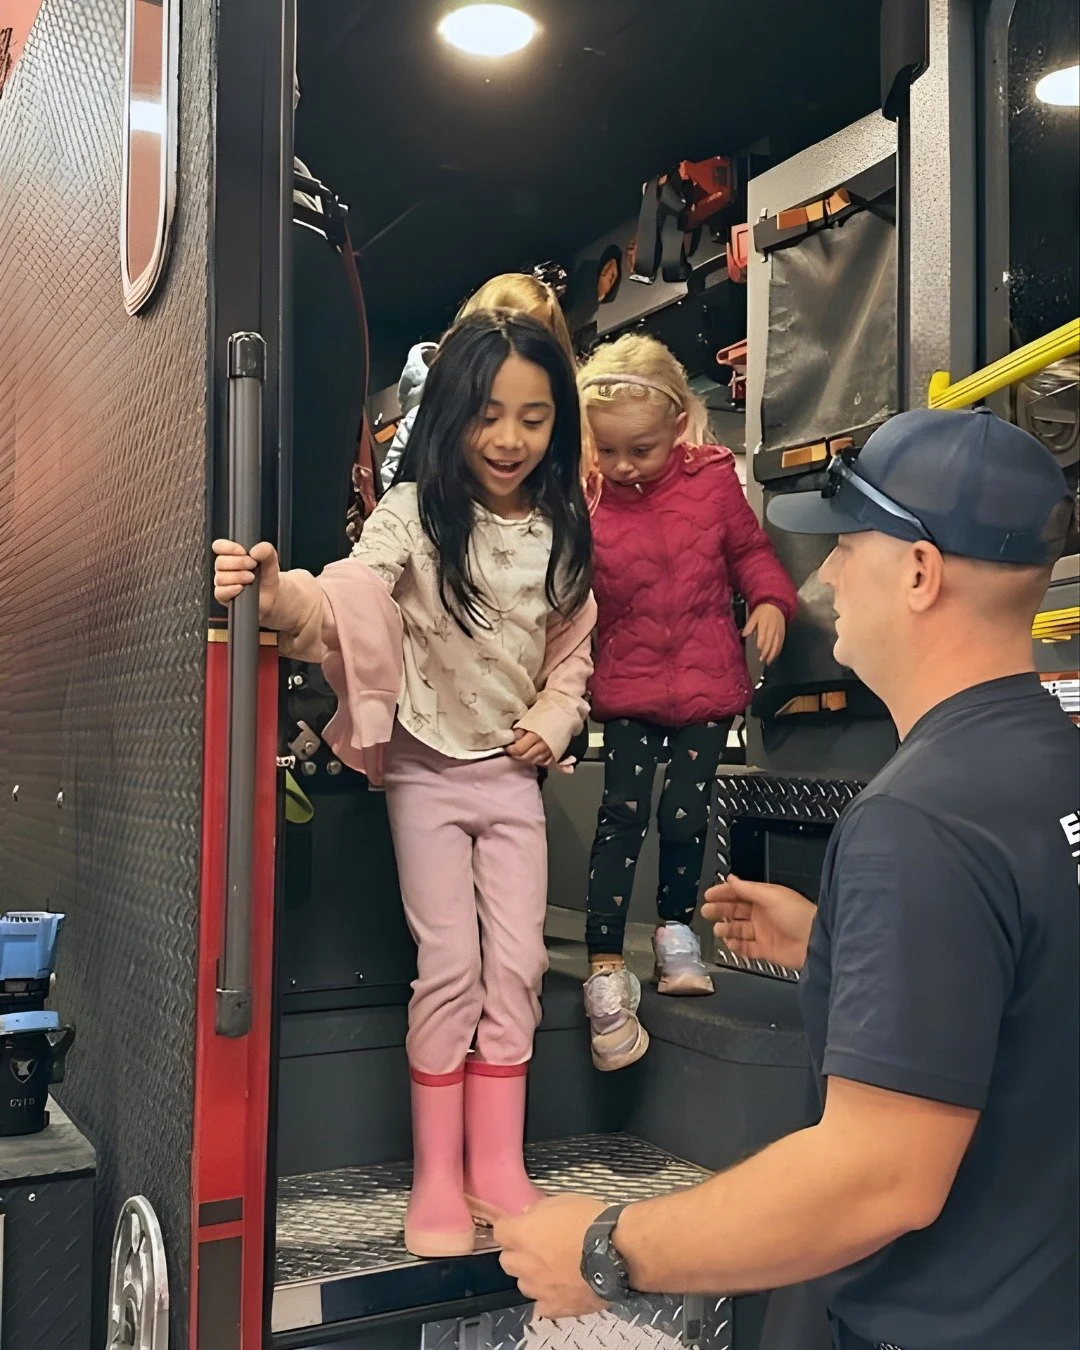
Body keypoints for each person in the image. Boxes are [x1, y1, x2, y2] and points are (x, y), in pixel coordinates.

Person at [495, 407, 1079, 1350]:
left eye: (850, 546)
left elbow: (878, 1175)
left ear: (920, 573)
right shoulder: (1050, 762)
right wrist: (840, 942)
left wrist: (605, 1248)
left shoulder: (917, 823)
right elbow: (1031, 984)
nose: (826, 576)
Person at [214, 312, 596, 1260]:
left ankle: (496, 1167)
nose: (509, 439)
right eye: (488, 414)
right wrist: (275, 587)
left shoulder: (561, 531)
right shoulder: (415, 514)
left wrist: (552, 723)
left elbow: (573, 653)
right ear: (451, 413)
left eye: (536, 418)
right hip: (426, 766)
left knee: (517, 964)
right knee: (451, 969)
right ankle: (437, 1176)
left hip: (512, 775)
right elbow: (348, 592)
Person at [575, 334, 797, 1070]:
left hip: (706, 682)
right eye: (608, 450)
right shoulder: (588, 497)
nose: (623, 465)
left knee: (686, 813)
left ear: (677, 427)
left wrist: (770, 600)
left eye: (640, 449)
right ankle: (605, 952)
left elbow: (750, 553)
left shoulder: (711, 482)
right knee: (623, 814)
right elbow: (565, 593)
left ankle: (676, 930)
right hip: (631, 684)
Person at [378, 272, 579, 491]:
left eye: (539, 338)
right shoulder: (428, 420)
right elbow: (401, 501)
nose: (521, 347)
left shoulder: (569, 418)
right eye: (487, 417)